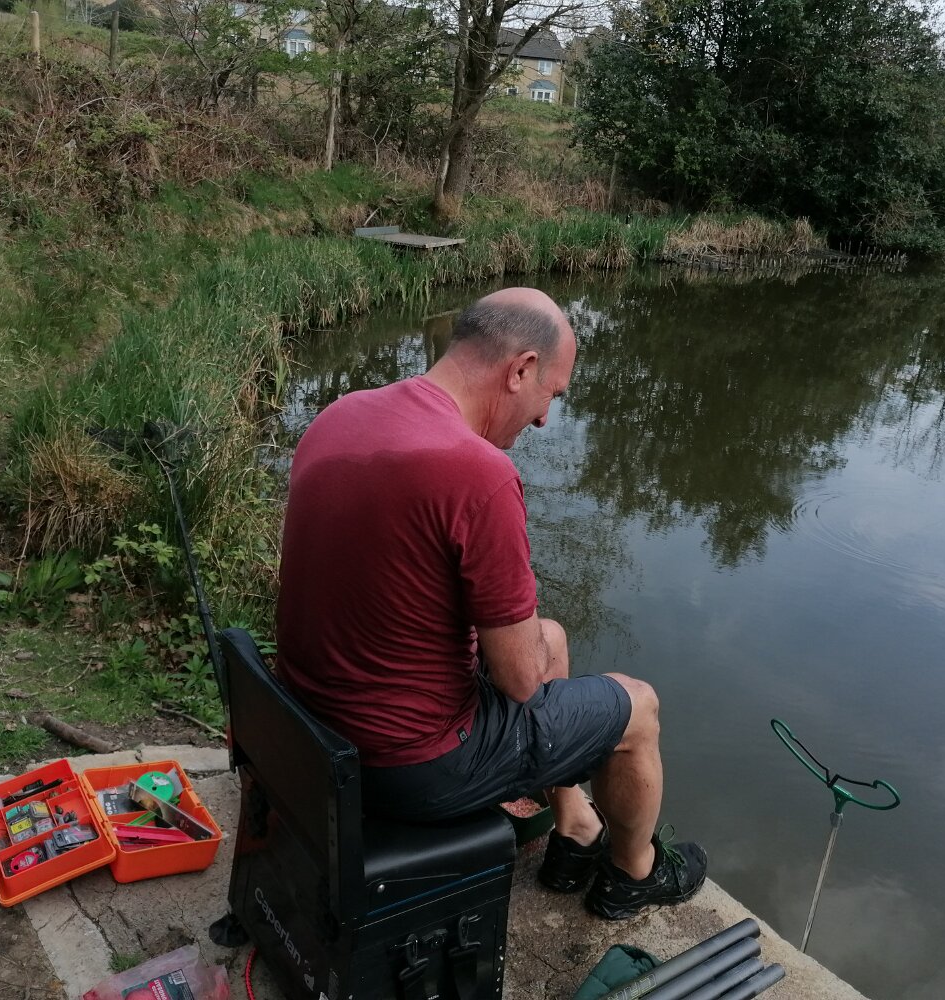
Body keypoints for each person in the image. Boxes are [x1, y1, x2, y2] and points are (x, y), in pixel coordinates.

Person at [274, 287, 707, 920]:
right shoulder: (477, 472)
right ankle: (634, 875)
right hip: (411, 769)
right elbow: (521, 680)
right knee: (637, 707)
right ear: (521, 369)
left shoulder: (341, 415)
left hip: (313, 730)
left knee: (553, 638)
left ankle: (576, 829)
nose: (544, 420)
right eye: (551, 395)